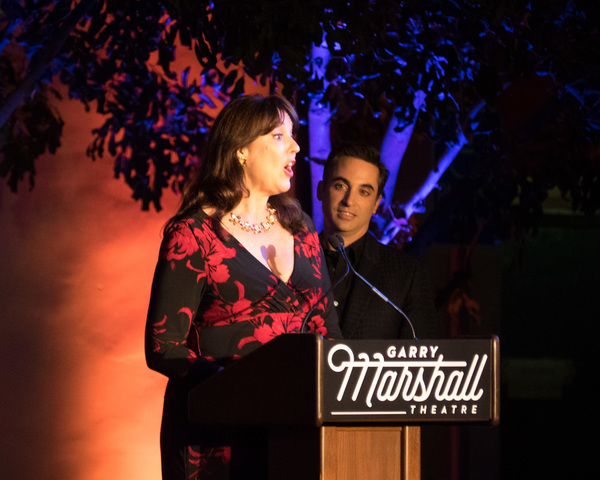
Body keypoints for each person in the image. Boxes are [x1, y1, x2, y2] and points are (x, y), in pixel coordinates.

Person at [145, 94, 342, 480]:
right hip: (217, 435)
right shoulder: (194, 234)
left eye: (294, 135)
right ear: (241, 151)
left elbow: (328, 332)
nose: (296, 146)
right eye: (279, 135)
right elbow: (163, 346)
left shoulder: (302, 230)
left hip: (296, 431)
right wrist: (235, 384)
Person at [317, 142, 438, 339]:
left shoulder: (406, 275)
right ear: (321, 190)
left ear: (376, 204)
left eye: (364, 192)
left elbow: (422, 360)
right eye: (340, 186)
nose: (349, 200)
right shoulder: (288, 262)